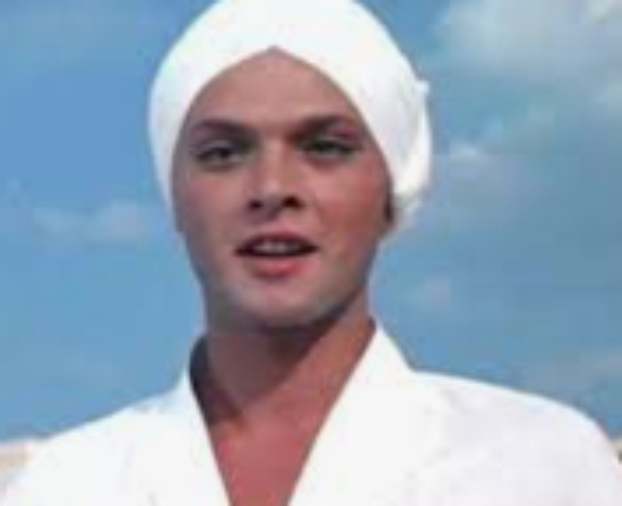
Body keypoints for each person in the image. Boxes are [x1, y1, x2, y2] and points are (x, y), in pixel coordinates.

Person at [4, 0, 622, 504]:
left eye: (325, 147)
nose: (272, 188)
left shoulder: (542, 468)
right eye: (222, 153)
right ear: (176, 196)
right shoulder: (67, 485)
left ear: (393, 188)